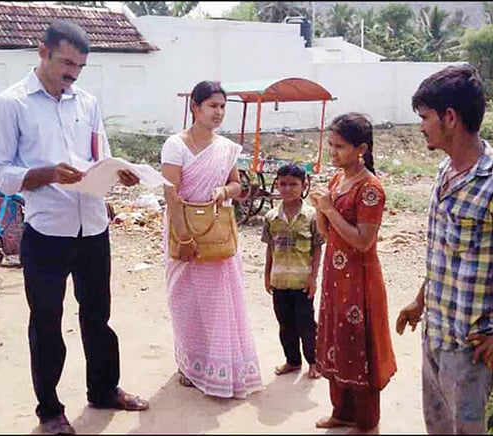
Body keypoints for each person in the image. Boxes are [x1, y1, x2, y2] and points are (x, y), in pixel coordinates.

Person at [0, 19, 148, 435]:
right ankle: (50, 411)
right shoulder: (13, 103)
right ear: (43, 52)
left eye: (80, 67)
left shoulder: (87, 102)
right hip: (47, 231)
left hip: (92, 226)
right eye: (66, 63)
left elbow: (100, 155)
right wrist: (46, 174)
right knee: (46, 322)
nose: (73, 74)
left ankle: (104, 389)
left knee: (98, 315)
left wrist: (119, 173)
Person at [396, 64, 493, 434]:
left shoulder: (490, 182)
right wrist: (420, 301)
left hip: (472, 349)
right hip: (435, 334)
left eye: (425, 117)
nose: (421, 126)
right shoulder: (443, 172)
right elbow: (444, 254)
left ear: (450, 117)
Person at [160, 80, 263, 399]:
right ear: (196, 107)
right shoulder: (175, 145)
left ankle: (220, 367)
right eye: (212, 106)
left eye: (222, 107)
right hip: (183, 229)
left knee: (219, 302)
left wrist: (223, 191)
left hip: (217, 233)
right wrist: (184, 238)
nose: (218, 112)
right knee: (185, 301)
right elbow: (171, 194)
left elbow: (238, 186)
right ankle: (189, 366)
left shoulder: (226, 148)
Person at [309, 112, 397, 432]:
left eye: (340, 146)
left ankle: (366, 421)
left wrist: (329, 209)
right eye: (331, 145)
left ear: (361, 149)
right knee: (337, 339)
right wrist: (321, 209)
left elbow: (363, 241)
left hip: (360, 280)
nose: (332, 152)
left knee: (359, 345)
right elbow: (326, 233)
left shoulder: (370, 188)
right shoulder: (337, 181)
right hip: (335, 277)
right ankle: (342, 411)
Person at [261, 162, 323, 380]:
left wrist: (313, 278)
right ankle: (292, 361)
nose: (287, 189)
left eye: (293, 184)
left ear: (304, 185)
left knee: (306, 324)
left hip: (302, 281)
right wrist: (267, 275)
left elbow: (317, 248)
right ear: (277, 185)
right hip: (279, 281)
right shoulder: (271, 217)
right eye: (283, 184)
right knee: (285, 324)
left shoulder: (312, 216)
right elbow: (270, 248)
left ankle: (314, 362)